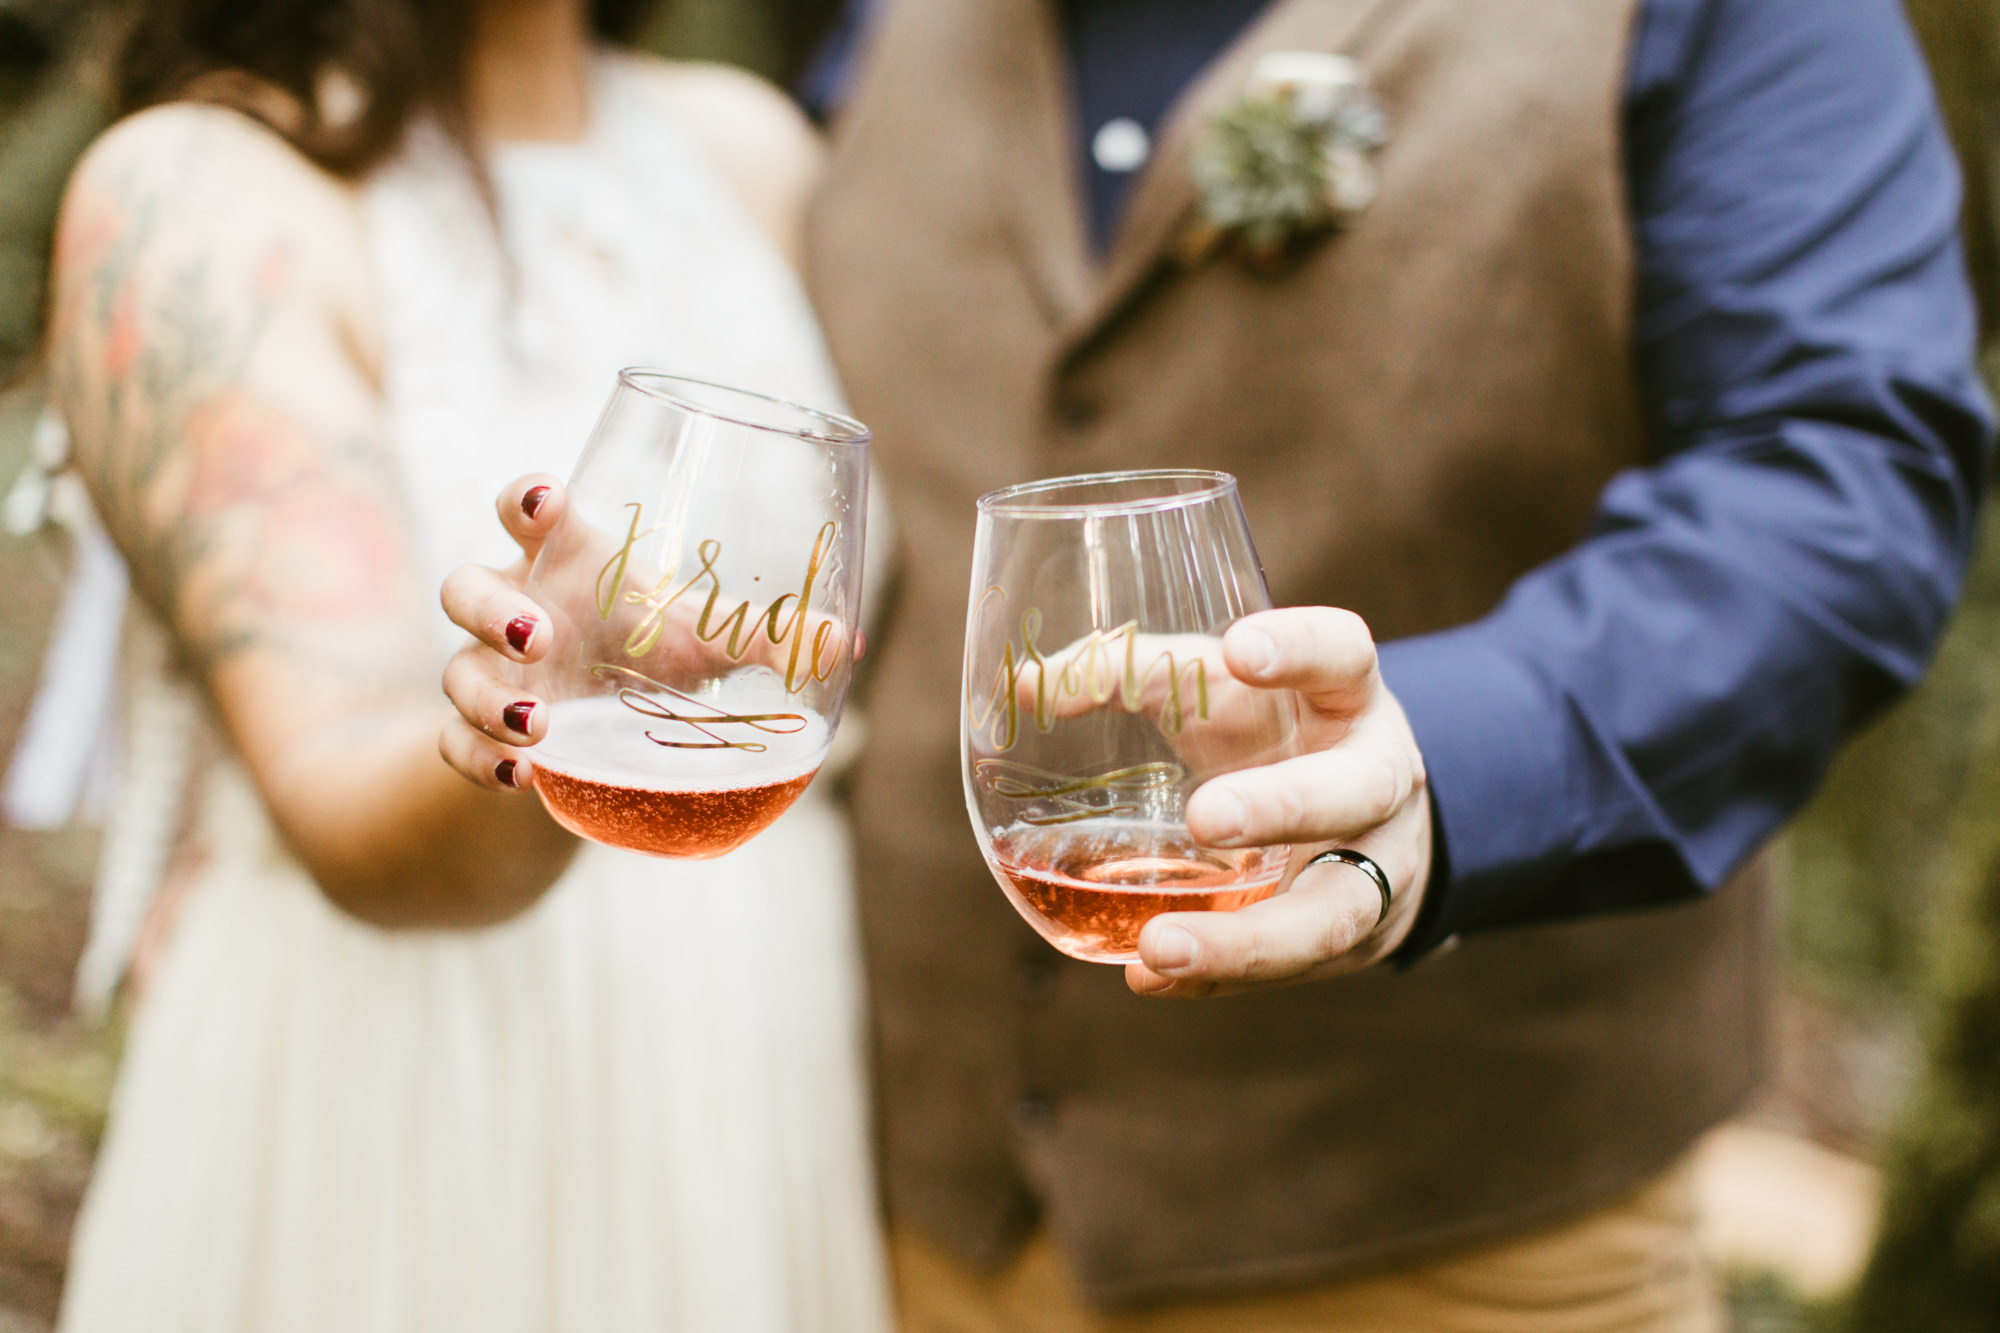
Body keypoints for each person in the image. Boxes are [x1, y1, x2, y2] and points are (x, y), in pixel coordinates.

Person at [800, 0, 1992, 1325]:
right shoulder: (884, 33)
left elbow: (1837, 486)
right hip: (892, 1231)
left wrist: (1460, 751)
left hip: (1463, 1249)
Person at [44, 1, 892, 1329]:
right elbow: (339, 802)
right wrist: (552, 724)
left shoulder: (752, 150)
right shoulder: (193, 192)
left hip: (751, 1069)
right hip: (416, 1095)